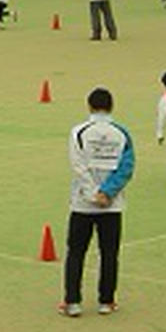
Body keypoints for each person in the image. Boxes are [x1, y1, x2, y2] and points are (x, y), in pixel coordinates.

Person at [59, 87, 135, 317]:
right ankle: (106, 301)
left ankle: (72, 302)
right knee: (109, 253)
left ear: (89, 106)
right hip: (112, 205)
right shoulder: (121, 133)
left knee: (76, 252)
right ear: (111, 107)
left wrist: (93, 194)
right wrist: (107, 193)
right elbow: (127, 167)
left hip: (83, 204)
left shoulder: (79, 132)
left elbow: (78, 166)